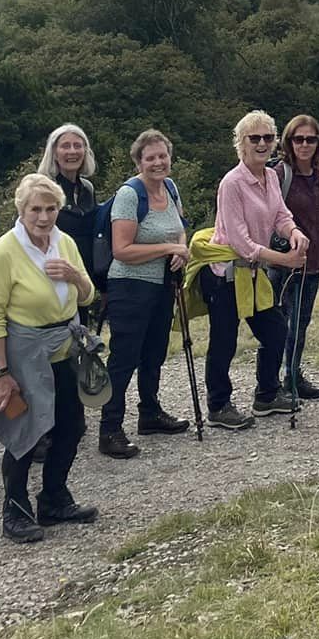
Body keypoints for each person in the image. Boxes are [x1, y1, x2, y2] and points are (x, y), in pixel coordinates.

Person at [0, 173, 97, 544]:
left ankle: (54, 498)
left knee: (71, 427)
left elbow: (88, 297)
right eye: (35, 209)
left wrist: (74, 275)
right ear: (21, 210)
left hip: (63, 347)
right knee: (25, 433)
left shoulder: (66, 243)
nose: (43, 217)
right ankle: (15, 510)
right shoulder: (3, 252)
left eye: (51, 208)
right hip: (20, 352)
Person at [195, 111, 310, 423]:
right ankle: (218, 406)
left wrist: (295, 233)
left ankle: (267, 394)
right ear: (241, 144)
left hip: (252, 272)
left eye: (268, 138)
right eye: (254, 138)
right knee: (224, 341)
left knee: (275, 331)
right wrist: (285, 259)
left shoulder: (270, 176)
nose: (262, 144)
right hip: (224, 274)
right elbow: (240, 242)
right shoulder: (231, 184)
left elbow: (280, 216)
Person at [98, 129, 191, 459]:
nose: (158, 162)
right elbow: (122, 249)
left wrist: (181, 249)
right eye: (150, 157)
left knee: (154, 353)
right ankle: (110, 430)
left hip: (162, 285)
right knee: (124, 359)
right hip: (129, 287)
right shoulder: (129, 195)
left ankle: (150, 414)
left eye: (162, 155)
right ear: (138, 161)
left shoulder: (171, 187)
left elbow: (179, 225)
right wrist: (170, 247)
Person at [273, 115, 319, 400]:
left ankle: (292, 375)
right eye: (299, 139)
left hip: (314, 259)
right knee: (285, 322)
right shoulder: (279, 174)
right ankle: (278, 381)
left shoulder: (318, 172)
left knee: (302, 321)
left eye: (311, 139)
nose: (304, 144)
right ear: (288, 141)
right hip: (286, 261)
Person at [38, 124, 99, 321]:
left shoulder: (88, 189)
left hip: (83, 278)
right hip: (53, 279)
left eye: (77, 145)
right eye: (65, 146)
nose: (72, 151)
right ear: (54, 153)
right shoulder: (42, 188)